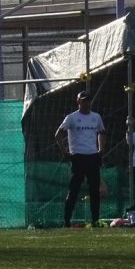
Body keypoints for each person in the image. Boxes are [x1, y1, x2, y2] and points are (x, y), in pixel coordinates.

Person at [55, 90, 106, 227]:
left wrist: (101, 149)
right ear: (78, 101)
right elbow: (58, 134)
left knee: (94, 190)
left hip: (93, 156)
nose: (86, 103)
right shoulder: (71, 117)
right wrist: (64, 151)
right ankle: (67, 220)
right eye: (83, 100)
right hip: (78, 157)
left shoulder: (96, 117)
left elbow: (101, 132)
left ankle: (95, 220)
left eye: (88, 100)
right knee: (74, 189)